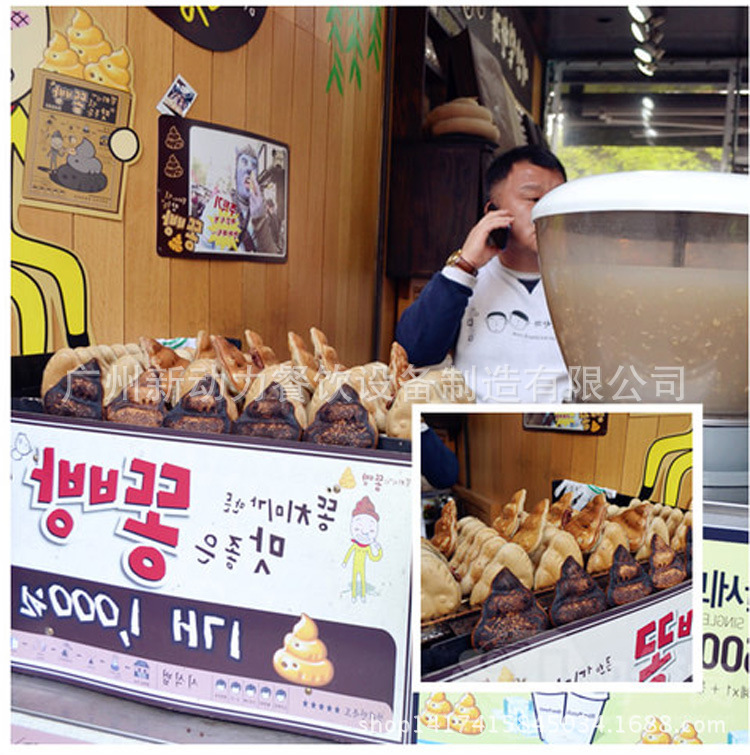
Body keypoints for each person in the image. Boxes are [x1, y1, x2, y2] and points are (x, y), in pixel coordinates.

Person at [395, 145, 571, 403]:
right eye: (534, 199)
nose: (548, 211)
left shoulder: (582, 285)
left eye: (557, 200)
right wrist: (465, 265)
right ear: (492, 212)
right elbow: (415, 352)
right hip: (479, 433)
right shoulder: (464, 280)